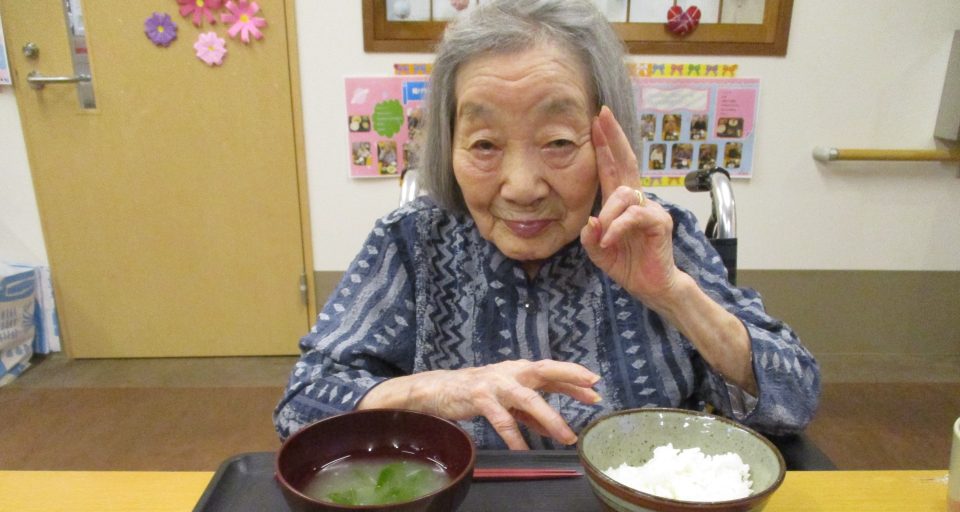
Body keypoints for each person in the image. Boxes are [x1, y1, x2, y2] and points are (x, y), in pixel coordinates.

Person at [274, 0, 820, 450]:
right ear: (449, 144)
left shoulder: (654, 232)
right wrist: (437, 391)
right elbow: (302, 404)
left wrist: (675, 295)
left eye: (558, 141)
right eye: (484, 144)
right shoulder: (412, 241)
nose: (522, 187)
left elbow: (793, 398)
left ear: (606, 137)